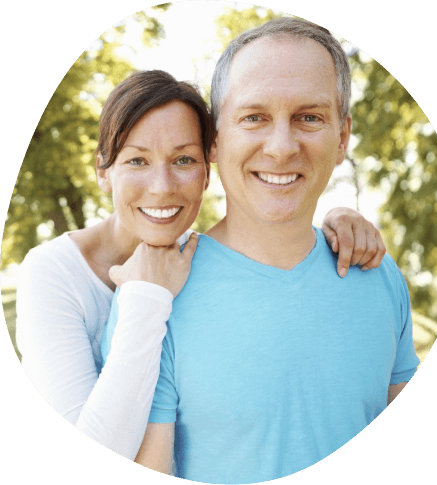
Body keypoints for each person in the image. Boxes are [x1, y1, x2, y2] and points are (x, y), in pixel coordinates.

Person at [104, 18, 419, 483]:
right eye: (254, 117)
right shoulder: (153, 298)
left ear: (343, 137)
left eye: (309, 117)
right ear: (215, 139)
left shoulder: (378, 275)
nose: (281, 147)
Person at [15, 69, 385, 461]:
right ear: (103, 172)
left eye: (184, 159)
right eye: (138, 160)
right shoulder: (51, 274)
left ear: (208, 170)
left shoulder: (198, 261)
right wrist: (145, 298)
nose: (162, 186)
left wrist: (340, 219)